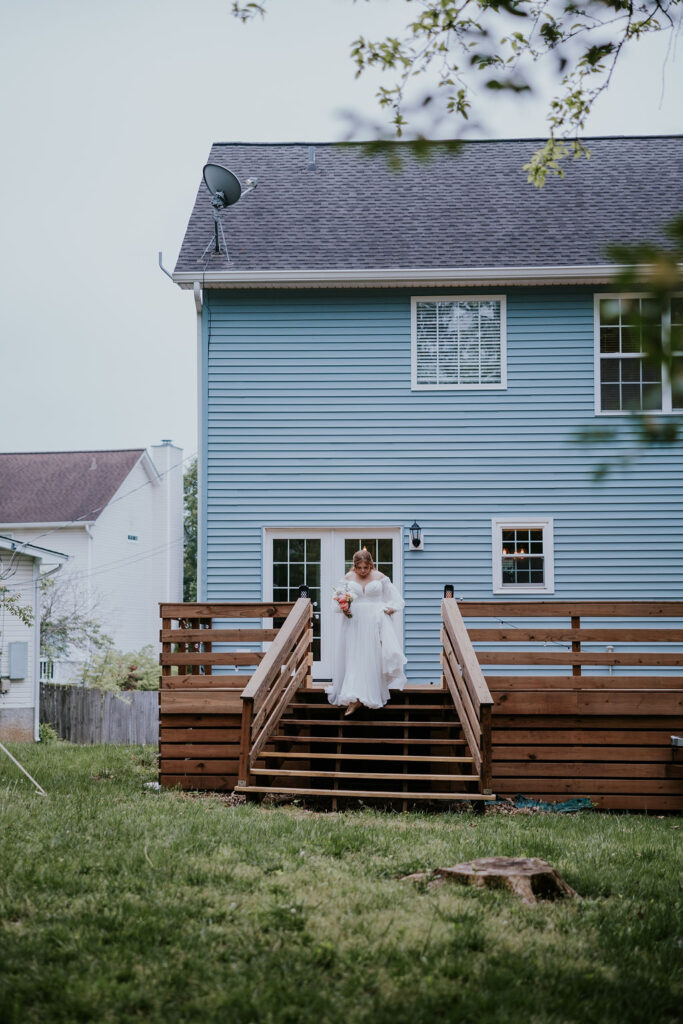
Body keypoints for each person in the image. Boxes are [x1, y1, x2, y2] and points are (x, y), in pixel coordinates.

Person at [326, 548, 408, 715]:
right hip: (354, 622)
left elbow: (397, 600)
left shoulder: (380, 578)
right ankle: (354, 697)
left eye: (366, 567)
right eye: (359, 567)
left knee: (372, 656)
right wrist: (344, 608)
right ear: (354, 566)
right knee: (354, 656)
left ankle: (370, 694)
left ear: (371, 565)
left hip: (374, 621)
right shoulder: (347, 579)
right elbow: (335, 603)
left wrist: (390, 608)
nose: (363, 571)